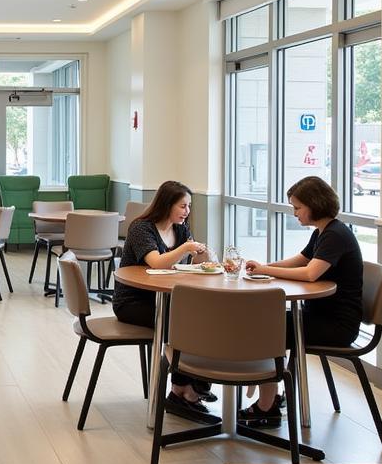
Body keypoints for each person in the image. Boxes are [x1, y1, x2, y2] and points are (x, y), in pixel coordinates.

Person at [239, 175, 363, 427]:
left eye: (297, 207)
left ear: (314, 204)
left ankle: (268, 405)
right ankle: (271, 394)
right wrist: (263, 266)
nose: (294, 213)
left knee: (267, 329)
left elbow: (309, 273)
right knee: (264, 323)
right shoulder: (324, 232)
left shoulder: (335, 235)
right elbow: (301, 259)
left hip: (337, 325)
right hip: (319, 317)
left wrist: (266, 270)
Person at [113, 180, 215, 423]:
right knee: (185, 325)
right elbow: (157, 262)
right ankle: (187, 389)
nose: (187, 211)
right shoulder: (141, 228)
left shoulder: (181, 229)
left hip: (166, 300)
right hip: (133, 302)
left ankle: (183, 391)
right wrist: (187, 248)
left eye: (189, 206)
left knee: (198, 320)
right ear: (167, 204)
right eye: (182, 206)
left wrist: (203, 256)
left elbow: (187, 265)